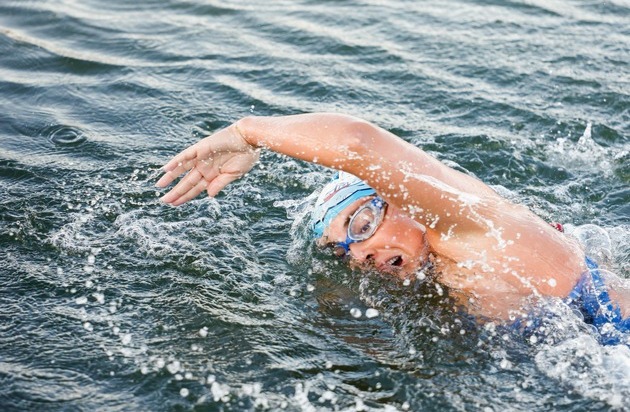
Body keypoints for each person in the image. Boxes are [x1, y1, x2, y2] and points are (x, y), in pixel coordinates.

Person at [156, 113, 629, 344]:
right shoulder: (442, 268)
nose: (359, 254)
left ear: (401, 201)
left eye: (361, 224)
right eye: (344, 251)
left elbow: (357, 143)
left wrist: (247, 132)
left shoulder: (460, 225)